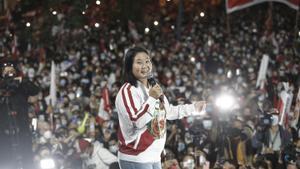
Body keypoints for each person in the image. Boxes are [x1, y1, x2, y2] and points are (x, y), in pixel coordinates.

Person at [115, 46, 206, 169]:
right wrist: (152, 98)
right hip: (136, 158)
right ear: (129, 66)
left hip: (154, 157)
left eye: (147, 61)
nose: (145, 65)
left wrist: (193, 107)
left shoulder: (154, 87)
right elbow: (137, 122)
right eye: (139, 62)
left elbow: (169, 112)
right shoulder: (127, 91)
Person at [0, 59, 39, 169]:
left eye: (11, 70)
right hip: (4, 134)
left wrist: (22, 81)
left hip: (22, 130)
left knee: (27, 161)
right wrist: (4, 84)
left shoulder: (21, 85)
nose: (9, 73)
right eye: (5, 71)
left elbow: (35, 90)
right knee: (6, 162)